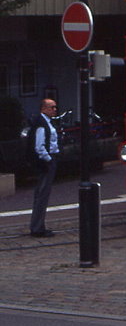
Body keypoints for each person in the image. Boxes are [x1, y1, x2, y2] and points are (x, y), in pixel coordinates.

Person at [28, 99, 60, 238]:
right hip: (46, 162)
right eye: (52, 107)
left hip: (48, 160)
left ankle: (38, 225)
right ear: (44, 109)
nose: (55, 109)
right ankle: (37, 227)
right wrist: (49, 159)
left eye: (55, 107)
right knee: (42, 194)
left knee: (42, 194)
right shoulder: (41, 124)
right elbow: (39, 146)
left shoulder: (46, 122)